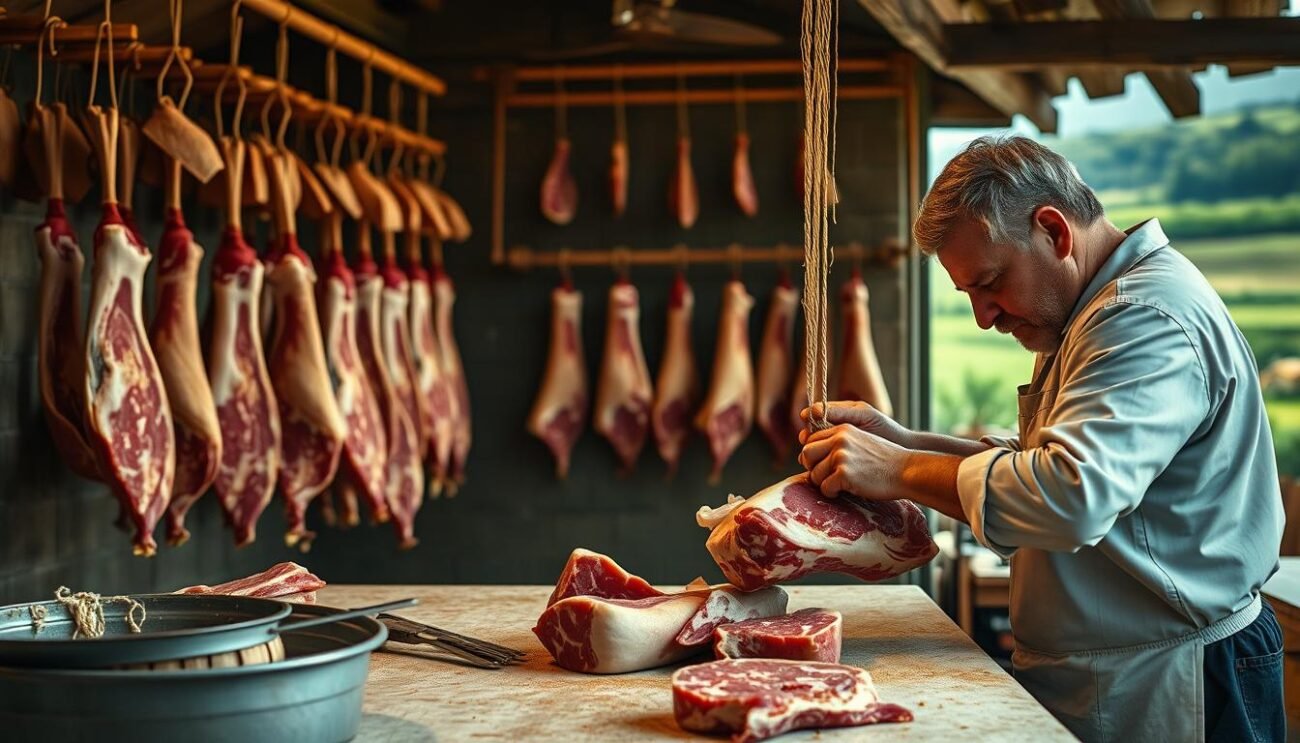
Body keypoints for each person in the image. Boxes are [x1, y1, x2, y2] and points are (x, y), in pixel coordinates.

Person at [799, 135, 1285, 742]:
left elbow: (1070, 494)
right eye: (968, 295)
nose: (983, 316)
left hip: (1179, 682)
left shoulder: (1142, 317)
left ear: (1054, 231)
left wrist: (899, 471)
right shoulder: (1091, 310)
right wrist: (903, 442)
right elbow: (1044, 464)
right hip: (1120, 669)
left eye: (990, 282)